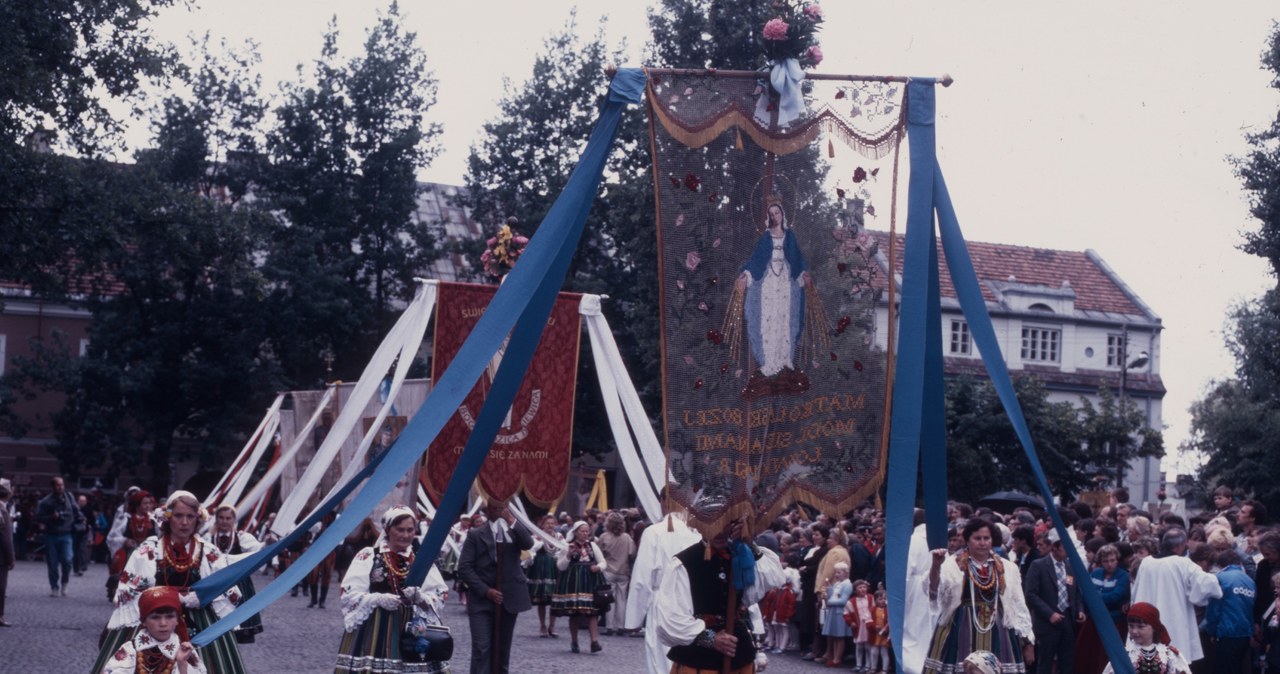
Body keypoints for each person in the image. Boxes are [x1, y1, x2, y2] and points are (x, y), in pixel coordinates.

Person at [91, 491, 246, 674]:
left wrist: (202, 596)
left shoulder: (209, 552)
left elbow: (226, 587)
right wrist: (166, 596)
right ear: (168, 518)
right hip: (156, 618)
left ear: (198, 519)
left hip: (200, 619)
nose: (185, 522)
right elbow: (132, 588)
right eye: (179, 516)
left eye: (190, 516)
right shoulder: (149, 550)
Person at [654, 518, 786, 674]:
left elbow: (773, 578)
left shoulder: (741, 555)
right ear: (700, 526)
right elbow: (672, 617)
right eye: (712, 524)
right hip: (698, 658)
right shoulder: (684, 562)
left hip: (738, 653)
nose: (719, 532)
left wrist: (750, 543)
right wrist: (711, 639)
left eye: (725, 525)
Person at [336, 505, 450, 674]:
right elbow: (349, 593)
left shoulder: (420, 561)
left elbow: (440, 594)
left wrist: (421, 599)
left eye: (410, 530)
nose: (406, 535)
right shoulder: (369, 556)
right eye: (400, 530)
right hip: (375, 628)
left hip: (413, 630)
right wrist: (377, 599)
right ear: (388, 529)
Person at [923, 517, 1036, 674]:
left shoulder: (1007, 567)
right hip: (960, 628)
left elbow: (1018, 604)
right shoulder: (952, 564)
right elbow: (934, 591)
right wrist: (936, 566)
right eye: (977, 538)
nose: (982, 543)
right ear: (967, 540)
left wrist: (1027, 641)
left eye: (986, 538)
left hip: (998, 628)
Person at [734, 195, 813, 400]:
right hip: (769, 283)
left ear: (783, 214)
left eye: (777, 213)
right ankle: (770, 363)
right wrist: (747, 274)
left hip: (786, 283)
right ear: (769, 217)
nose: (775, 216)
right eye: (771, 214)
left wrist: (803, 273)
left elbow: (797, 259)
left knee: (785, 320)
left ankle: (785, 360)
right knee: (768, 320)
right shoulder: (766, 238)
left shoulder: (790, 236)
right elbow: (756, 260)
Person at [456, 498, 534, 674]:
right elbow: (464, 568)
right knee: (481, 647)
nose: (500, 511)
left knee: (502, 648)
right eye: (496, 508)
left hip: (509, 599)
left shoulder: (513, 532)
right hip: (482, 601)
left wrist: (512, 521)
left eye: (503, 507)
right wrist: (486, 591)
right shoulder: (476, 535)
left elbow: (528, 544)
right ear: (487, 511)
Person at [1129, 528, 1222, 663]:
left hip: (1147, 622)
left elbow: (1136, 592)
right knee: (1173, 662)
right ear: (1179, 546)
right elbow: (1207, 583)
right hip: (1174, 622)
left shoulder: (1146, 562)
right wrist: (1220, 577)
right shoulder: (1182, 563)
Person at [625, 511, 702, 674]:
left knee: (659, 656)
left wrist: (635, 619)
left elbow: (643, 577)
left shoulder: (653, 532)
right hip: (689, 602)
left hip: (662, 602)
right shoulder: (696, 533)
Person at [101, 586, 206, 674]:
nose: (163, 623)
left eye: (169, 616)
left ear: (178, 620)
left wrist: (181, 663)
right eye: (155, 617)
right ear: (144, 621)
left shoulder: (185, 651)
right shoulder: (131, 649)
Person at [1024, 528, 1084, 674]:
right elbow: (1031, 594)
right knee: (1045, 663)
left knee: (1067, 662)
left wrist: (1080, 609)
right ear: (1055, 547)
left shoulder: (1069, 567)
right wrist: (1049, 613)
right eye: (1065, 547)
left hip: (1067, 621)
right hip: (1047, 623)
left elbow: (1075, 592)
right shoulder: (1038, 565)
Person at [210, 505, 264, 643]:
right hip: (215, 583)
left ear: (234, 520)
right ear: (216, 519)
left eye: (228, 518)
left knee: (237, 617)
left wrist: (268, 544)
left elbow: (258, 550)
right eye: (221, 518)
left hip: (238, 582)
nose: (224, 521)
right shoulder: (208, 538)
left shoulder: (241, 537)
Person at [553, 520, 607, 653]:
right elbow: (560, 566)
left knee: (592, 612)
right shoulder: (567, 546)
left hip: (590, 580)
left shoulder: (593, 545)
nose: (584, 533)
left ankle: (594, 642)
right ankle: (574, 641)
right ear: (575, 532)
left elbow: (603, 561)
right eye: (582, 531)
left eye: (586, 531)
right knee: (574, 612)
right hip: (574, 582)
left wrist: (598, 567)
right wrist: (568, 555)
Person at [1076, 543, 1129, 674]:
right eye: (1105, 561)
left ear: (1117, 560)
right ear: (1101, 561)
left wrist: (1095, 597)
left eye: (1112, 560)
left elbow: (1116, 596)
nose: (1109, 564)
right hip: (1093, 622)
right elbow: (1085, 594)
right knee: (1088, 656)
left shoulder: (1123, 575)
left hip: (1113, 623)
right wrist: (1096, 597)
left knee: (1106, 658)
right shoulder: (1095, 573)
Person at [1200, 548, 1254, 674]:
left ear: (1220, 564)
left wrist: (1212, 631)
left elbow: (1213, 609)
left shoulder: (1220, 578)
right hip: (1245, 633)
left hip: (1226, 633)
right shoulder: (1249, 581)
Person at [1101, 602, 1191, 674]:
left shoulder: (1169, 654)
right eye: (1131, 626)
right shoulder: (1124, 655)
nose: (1134, 631)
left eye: (1140, 627)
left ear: (1154, 627)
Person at [36, 475, 84, 597]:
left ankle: (65, 583)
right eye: (58, 485)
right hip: (51, 535)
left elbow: (76, 510)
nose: (60, 487)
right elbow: (38, 518)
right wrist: (51, 518)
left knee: (68, 560)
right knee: (52, 563)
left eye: (62, 485)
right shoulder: (46, 502)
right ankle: (54, 587)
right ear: (53, 486)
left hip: (66, 534)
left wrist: (82, 519)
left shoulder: (69, 497)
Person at [106, 490, 157, 603]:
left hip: (149, 554)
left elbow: (161, 537)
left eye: (149, 503)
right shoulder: (126, 519)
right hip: (130, 554)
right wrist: (125, 540)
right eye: (145, 503)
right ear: (137, 505)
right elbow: (112, 537)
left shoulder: (154, 519)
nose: (148, 506)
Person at [597, 511, 637, 636]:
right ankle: (620, 626)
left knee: (609, 599)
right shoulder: (627, 537)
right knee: (622, 599)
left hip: (609, 570)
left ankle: (609, 626)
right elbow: (632, 554)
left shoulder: (604, 537)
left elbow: (598, 553)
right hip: (623, 571)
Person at [525, 514, 561, 638]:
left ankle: (552, 625)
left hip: (555, 567)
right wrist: (539, 542)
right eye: (548, 523)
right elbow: (530, 549)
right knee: (541, 599)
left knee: (555, 598)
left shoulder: (559, 537)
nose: (550, 526)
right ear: (543, 525)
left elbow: (563, 549)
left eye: (552, 523)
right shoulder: (537, 536)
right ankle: (542, 625)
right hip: (540, 568)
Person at [0, 482, 14, 627]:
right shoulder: (2, 510)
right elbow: (5, 537)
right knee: (0, 586)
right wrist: (11, 558)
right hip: (1, 557)